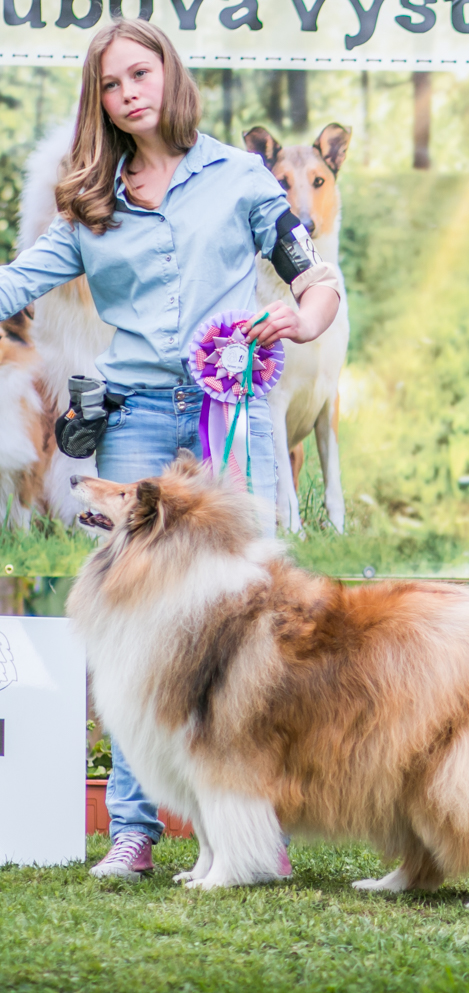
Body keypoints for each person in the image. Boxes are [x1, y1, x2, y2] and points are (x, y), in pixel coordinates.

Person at [0, 19, 341, 879]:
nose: (128, 94)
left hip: (233, 412)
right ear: (100, 101)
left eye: (139, 74)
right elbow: (18, 282)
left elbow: (311, 274)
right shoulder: (91, 200)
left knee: (260, 625)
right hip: (138, 420)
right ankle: (133, 831)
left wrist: (306, 317)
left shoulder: (239, 177)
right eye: (111, 85)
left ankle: (262, 828)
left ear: (169, 75)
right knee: (131, 628)